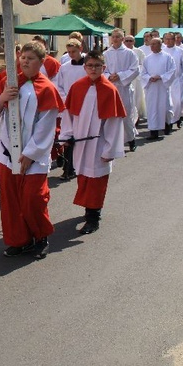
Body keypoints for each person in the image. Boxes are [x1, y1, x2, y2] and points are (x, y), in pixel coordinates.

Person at [0, 41, 64, 257]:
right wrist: (2, 99)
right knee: (11, 200)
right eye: (23, 58)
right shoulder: (8, 81)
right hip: (7, 152)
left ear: (41, 62)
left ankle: (40, 236)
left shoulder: (47, 88)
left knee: (33, 198)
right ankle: (19, 239)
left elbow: (46, 125)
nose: (25, 62)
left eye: (31, 59)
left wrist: (31, 153)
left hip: (33, 156)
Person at [60, 50, 126, 235]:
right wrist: (67, 135)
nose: (93, 69)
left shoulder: (109, 89)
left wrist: (109, 149)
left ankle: (93, 217)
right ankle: (89, 209)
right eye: (90, 65)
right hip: (81, 143)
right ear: (85, 67)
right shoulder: (77, 86)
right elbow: (69, 114)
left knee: (97, 181)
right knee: (83, 177)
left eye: (97, 65)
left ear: (104, 68)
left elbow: (113, 122)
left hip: (99, 144)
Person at [55, 38, 89, 180]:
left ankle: (75, 166)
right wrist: (66, 98)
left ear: (80, 49)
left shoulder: (87, 67)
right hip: (68, 105)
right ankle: (68, 167)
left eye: (73, 51)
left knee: (80, 135)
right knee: (68, 135)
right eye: (68, 52)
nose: (71, 54)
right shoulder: (64, 67)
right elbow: (59, 86)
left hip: (84, 105)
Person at [103, 28, 139, 151]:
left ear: (122, 38)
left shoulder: (130, 53)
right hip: (111, 88)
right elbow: (102, 70)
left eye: (118, 37)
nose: (115, 39)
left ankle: (131, 138)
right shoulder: (106, 54)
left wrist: (120, 76)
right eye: (113, 37)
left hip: (124, 88)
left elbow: (135, 70)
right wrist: (108, 76)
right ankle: (113, 142)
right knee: (111, 116)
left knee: (126, 115)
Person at [140, 38, 177, 139]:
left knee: (165, 107)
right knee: (152, 109)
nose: (151, 46)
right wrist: (149, 78)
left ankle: (167, 125)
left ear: (160, 45)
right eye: (151, 44)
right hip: (151, 87)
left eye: (154, 44)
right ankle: (153, 131)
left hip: (162, 87)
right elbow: (143, 73)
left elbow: (172, 71)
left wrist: (161, 77)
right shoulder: (147, 58)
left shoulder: (167, 57)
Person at [123, 34, 147, 123]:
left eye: (131, 41)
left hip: (135, 78)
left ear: (134, 42)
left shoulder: (139, 51)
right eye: (127, 41)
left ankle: (136, 117)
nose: (128, 43)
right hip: (123, 78)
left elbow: (143, 64)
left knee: (136, 97)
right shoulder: (121, 52)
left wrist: (134, 69)